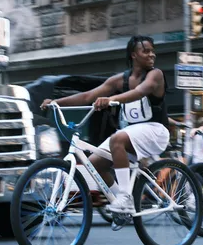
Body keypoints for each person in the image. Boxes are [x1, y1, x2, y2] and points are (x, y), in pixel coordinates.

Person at [40, 35, 169, 218]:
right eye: (145, 51)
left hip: (156, 130)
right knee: (93, 165)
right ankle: (120, 203)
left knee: (117, 139)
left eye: (152, 51)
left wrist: (111, 99)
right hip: (131, 134)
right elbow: (88, 96)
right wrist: (56, 102)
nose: (151, 55)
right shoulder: (120, 80)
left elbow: (139, 92)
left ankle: (125, 197)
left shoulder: (156, 75)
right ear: (134, 55)